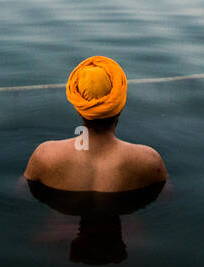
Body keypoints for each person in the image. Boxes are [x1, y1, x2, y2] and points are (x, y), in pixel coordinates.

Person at [24, 55, 166, 193]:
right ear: (119, 106)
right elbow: (167, 198)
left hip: (59, 217)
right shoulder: (149, 161)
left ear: (80, 108)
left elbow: (21, 192)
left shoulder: (45, 155)